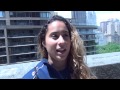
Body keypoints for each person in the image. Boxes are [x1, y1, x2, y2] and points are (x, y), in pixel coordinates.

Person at [22, 15, 96, 79]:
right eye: (54, 36)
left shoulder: (82, 73)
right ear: (44, 43)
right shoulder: (35, 76)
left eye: (65, 35)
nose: (62, 41)